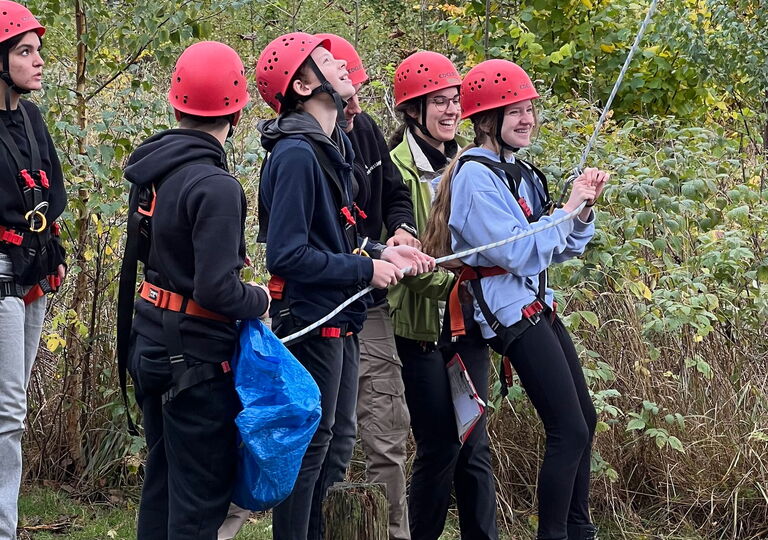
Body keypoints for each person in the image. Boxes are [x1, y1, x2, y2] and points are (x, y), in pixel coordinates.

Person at [254, 33, 434, 540]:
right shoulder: (295, 155)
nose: (341, 65)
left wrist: (382, 252)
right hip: (311, 319)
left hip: (341, 316)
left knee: (335, 443)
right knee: (313, 449)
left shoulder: (335, 146)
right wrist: (365, 271)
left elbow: (340, 237)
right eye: (326, 60)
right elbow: (286, 255)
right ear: (304, 83)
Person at [423, 59, 608, 540]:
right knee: (567, 428)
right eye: (515, 112)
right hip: (505, 310)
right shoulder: (473, 176)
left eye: (529, 109)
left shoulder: (519, 172)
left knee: (582, 421)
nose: (527, 119)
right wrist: (565, 211)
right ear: (487, 121)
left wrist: (581, 214)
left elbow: (557, 246)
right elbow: (517, 252)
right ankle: (559, 534)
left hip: (533, 302)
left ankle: (577, 529)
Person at [121, 41, 270, 538]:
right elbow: (218, 291)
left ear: (177, 104)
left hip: (152, 346)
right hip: (197, 360)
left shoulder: (153, 171)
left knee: (161, 490)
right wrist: (262, 299)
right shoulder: (216, 186)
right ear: (237, 111)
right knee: (199, 506)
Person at [388, 51, 499, 540]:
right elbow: (402, 260)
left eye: (456, 101)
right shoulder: (392, 170)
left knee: (474, 444)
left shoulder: (471, 165)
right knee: (438, 447)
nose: (453, 111)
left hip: (468, 325)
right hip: (418, 330)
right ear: (413, 111)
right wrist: (459, 278)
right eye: (440, 102)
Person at [314, 32, 419, 540]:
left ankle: (392, 533)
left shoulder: (367, 132)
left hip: (368, 302)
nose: (356, 103)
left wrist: (401, 229)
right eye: (347, 91)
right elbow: (294, 248)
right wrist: (370, 258)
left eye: (360, 91)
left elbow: (396, 195)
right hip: (319, 307)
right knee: (312, 432)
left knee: (383, 425)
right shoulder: (303, 152)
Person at [0, 2, 67, 538]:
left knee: (11, 415)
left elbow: (56, 192)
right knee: (6, 416)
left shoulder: (31, 117)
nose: (38, 60)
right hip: (2, 274)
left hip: (32, 275)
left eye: (37, 50)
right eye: (25, 51)